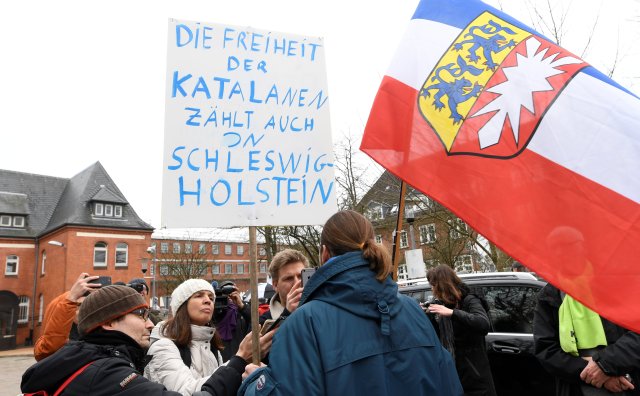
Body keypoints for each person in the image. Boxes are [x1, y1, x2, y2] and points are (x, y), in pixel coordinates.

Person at [239, 210, 462, 396]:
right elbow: (450, 384)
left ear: (324, 253)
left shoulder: (304, 324)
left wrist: (258, 386)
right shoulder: (413, 310)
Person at [21, 285, 245, 395]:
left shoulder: (92, 360)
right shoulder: (106, 372)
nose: (149, 324)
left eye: (211, 297)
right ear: (108, 323)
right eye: (141, 315)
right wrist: (238, 361)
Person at [145, 279, 272, 395]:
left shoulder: (212, 347)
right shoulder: (163, 346)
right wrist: (240, 360)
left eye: (211, 297)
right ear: (182, 305)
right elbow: (184, 392)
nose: (208, 301)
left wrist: (247, 369)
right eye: (199, 295)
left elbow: (221, 387)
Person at [534, 283, 640, 395]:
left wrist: (605, 364)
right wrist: (597, 373)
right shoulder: (550, 294)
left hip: (627, 383)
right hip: (577, 387)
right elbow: (546, 349)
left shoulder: (623, 284)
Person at [426, 264, 497, 396]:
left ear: (443, 285)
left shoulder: (470, 300)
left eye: (434, 285)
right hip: (454, 375)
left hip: (475, 376)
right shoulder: (443, 304)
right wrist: (426, 315)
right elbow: (437, 337)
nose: (432, 289)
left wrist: (453, 313)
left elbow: (483, 324)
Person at [33, 272, 101, 361]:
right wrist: (71, 298)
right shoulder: (61, 337)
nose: (84, 310)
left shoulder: (95, 331)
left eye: (89, 305)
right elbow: (48, 350)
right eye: (79, 305)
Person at [259, 249, 308, 325]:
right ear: (275, 285)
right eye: (289, 278)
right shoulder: (262, 323)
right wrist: (286, 314)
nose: (297, 282)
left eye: (301, 276)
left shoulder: (319, 310)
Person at [214, 280, 252, 362]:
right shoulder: (216, 308)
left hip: (238, 355)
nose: (229, 295)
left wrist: (241, 306)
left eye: (232, 291)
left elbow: (254, 320)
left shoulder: (241, 310)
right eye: (225, 292)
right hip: (221, 355)